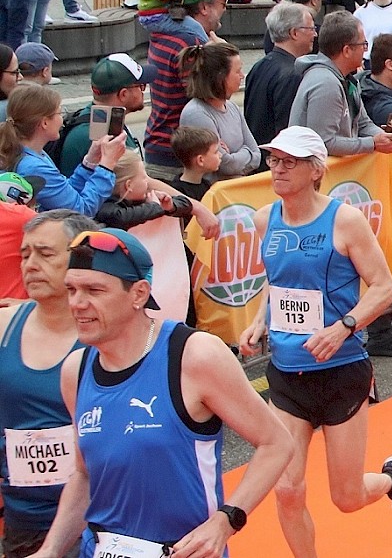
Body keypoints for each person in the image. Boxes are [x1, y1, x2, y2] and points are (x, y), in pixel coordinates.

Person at [31, 227, 294, 558]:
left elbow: (277, 443)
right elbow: (85, 474)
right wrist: (51, 548)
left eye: (94, 290)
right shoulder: (76, 370)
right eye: (71, 289)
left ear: (139, 294)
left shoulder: (193, 355)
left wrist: (225, 521)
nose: (77, 303)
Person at [238, 127, 392, 553]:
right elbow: (279, 281)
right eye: (273, 160)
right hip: (287, 374)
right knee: (287, 489)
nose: (278, 169)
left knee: (345, 497)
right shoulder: (262, 219)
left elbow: (384, 287)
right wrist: (260, 320)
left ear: (315, 170)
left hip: (340, 370)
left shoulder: (344, 220)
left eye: (290, 162)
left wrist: (344, 325)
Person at [0, 210, 91, 556]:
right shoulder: (4, 326)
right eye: (25, 254)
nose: (31, 264)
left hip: (98, 519)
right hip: (24, 521)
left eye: (45, 253)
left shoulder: (111, 335)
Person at [145, 0, 235, 182]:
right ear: (204, 7)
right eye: (223, 2)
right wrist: (223, 57)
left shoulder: (166, 33)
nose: (225, 8)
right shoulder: (191, 43)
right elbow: (216, 93)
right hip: (179, 158)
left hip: (159, 145)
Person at [289, 11, 392, 157]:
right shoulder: (326, 84)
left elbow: (363, 124)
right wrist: (372, 143)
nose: (365, 50)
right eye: (363, 44)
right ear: (347, 50)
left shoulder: (347, 79)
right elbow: (323, 142)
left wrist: (384, 137)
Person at [1, 84, 120, 217]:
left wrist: (89, 162)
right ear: (44, 123)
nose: (61, 119)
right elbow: (80, 211)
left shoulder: (32, 152)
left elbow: (65, 192)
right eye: (59, 113)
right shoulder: (34, 166)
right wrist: (107, 167)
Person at [178, 41, 261, 181]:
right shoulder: (197, 113)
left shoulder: (232, 107)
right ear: (220, 77)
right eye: (237, 71)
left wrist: (237, 156)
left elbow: (256, 155)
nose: (242, 75)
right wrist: (245, 153)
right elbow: (224, 164)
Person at [244, 2, 317, 150]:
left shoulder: (259, 66)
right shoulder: (292, 75)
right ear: (294, 33)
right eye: (311, 29)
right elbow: (287, 129)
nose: (315, 34)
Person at [172, 126, 221, 204]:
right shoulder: (178, 193)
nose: (220, 155)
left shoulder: (206, 184)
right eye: (215, 152)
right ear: (200, 160)